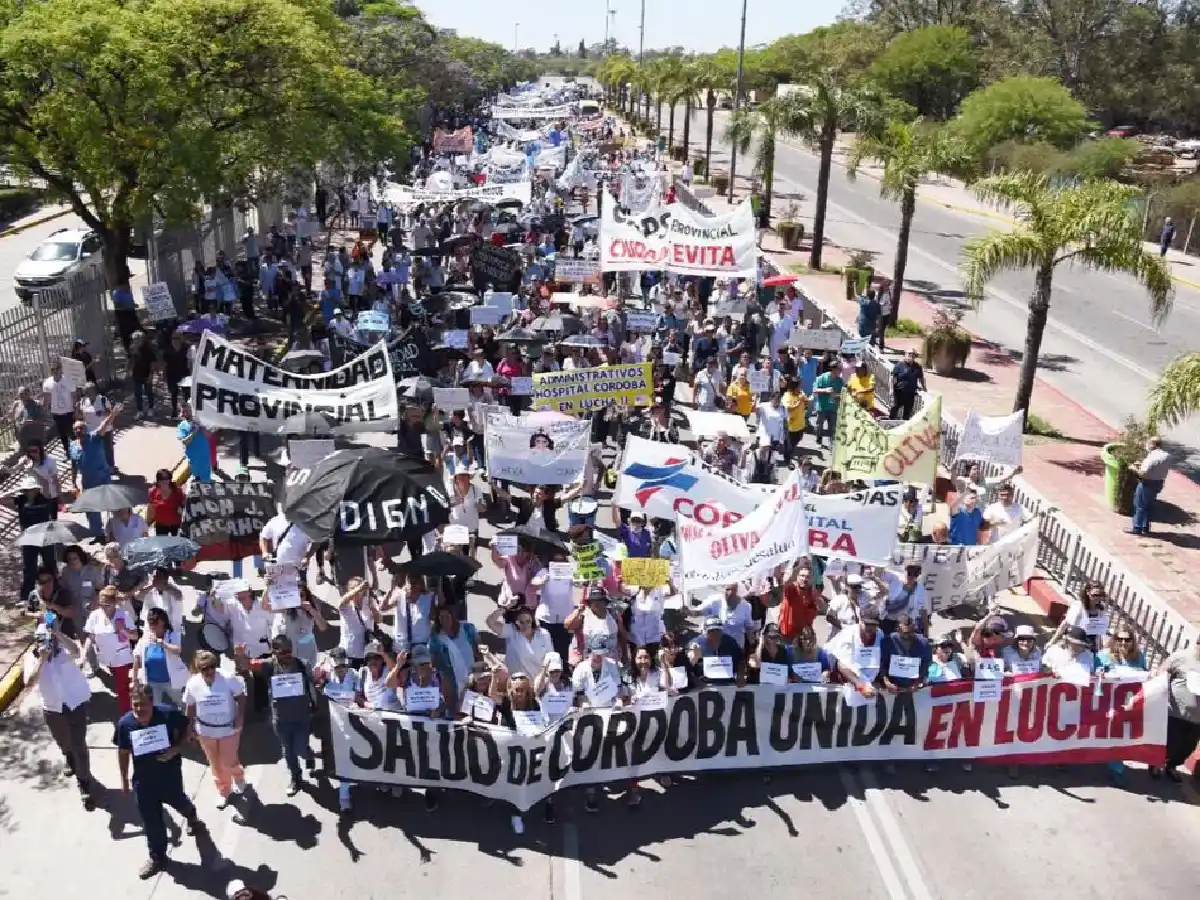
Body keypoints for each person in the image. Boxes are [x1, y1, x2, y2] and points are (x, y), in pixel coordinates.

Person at [115, 684, 207, 879]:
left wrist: (175, 749)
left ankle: (191, 816)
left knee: (180, 803)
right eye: (135, 705)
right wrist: (123, 779)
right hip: (143, 781)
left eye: (143, 705)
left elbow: (187, 726)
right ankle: (157, 857)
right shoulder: (125, 724)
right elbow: (123, 751)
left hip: (169, 776)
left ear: (152, 703)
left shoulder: (167, 714)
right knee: (151, 821)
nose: (139, 709)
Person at [24, 621, 100, 808]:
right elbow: (29, 683)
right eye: (41, 640)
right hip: (52, 708)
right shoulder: (33, 658)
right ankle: (68, 756)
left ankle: (84, 783)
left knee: (79, 744)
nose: (46, 644)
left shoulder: (63, 651)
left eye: (47, 639)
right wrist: (42, 660)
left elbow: (76, 651)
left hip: (75, 703)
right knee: (62, 741)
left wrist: (58, 634)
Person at [234, 635, 318, 796]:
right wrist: (240, 654)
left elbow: (314, 684)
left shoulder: (301, 664)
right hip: (281, 719)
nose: (288, 655)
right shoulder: (269, 666)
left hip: (302, 718)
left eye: (290, 651)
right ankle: (295, 777)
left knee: (300, 748)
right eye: (283, 652)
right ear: (274, 652)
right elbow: (248, 664)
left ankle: (308, 754)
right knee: (288, 751)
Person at [183, 649, 248, 807]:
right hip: (206, 731)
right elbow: (190, 706)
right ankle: (224, 790)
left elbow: (241, 696)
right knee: (215, 764)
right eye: (204, 668)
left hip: (228, 729)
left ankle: (238, 777)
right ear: (199, 669)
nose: (209, 671)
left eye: (212, 666)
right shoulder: (193, 684)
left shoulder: (227, 678)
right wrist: (188, 727)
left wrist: (240, 718)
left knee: (228, 760)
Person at [1153, 640, 1200, 785]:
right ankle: (1155, 764)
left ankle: (1172, 766)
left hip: (1197, 718)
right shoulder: (1181, 657)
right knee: (1168, 742)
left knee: (1187, 747)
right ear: (1197, 643)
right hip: (1175, 712)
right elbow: (1163, 671)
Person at [1129, 436, 1171, 536]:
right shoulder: (1166, 456)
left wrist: (1133, 468)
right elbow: (1157, 466)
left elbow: (1143, 473)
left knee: (1140, 505)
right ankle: (1145, 527)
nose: (1146, 445)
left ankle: (1137, 527)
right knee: (1149, 505)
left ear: (1153, 445)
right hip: (1159, 483)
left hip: (1147, 483)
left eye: (1147, 443)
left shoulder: (1152, 457)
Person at [176, 400, 213, 484]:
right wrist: (193, 432)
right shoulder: (182, 425)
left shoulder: (202, 422)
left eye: (187, 411)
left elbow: (209, 435)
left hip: (205, 457)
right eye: (183, 411)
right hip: (193, 458)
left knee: (206, 481)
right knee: (196, 480)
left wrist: (202, 427)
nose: (185, 414)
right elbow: (185, 442)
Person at [890, 350, 926, 420]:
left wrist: (924, 387)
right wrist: (891, 390)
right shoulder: (899, 365)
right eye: (909, 354)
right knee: (895, 407)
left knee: (907, 410)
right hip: (899, 392)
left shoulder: (918, 367)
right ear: (905, 355)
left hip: (910, 393)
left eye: (912, 355)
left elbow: (921, 378)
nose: (911, 356)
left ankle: (904, 424)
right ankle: (891, 421)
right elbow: (893, 378)